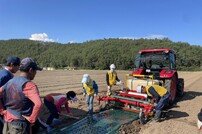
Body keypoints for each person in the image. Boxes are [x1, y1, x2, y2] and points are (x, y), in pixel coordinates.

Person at [0, 57, 43, 134]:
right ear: (30, 70)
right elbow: (39, 104)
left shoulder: (10, 81)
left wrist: (2, 111)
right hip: (20, 125)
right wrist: (32, 120)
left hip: (7, 122)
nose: (35, 73)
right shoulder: (29, 85)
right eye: (35, 70)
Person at [0, 56, 20, 134]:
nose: (18, 68)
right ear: (12, 65)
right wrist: (2, 109)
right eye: (17, 66)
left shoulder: (4, 73)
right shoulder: (5, 76)